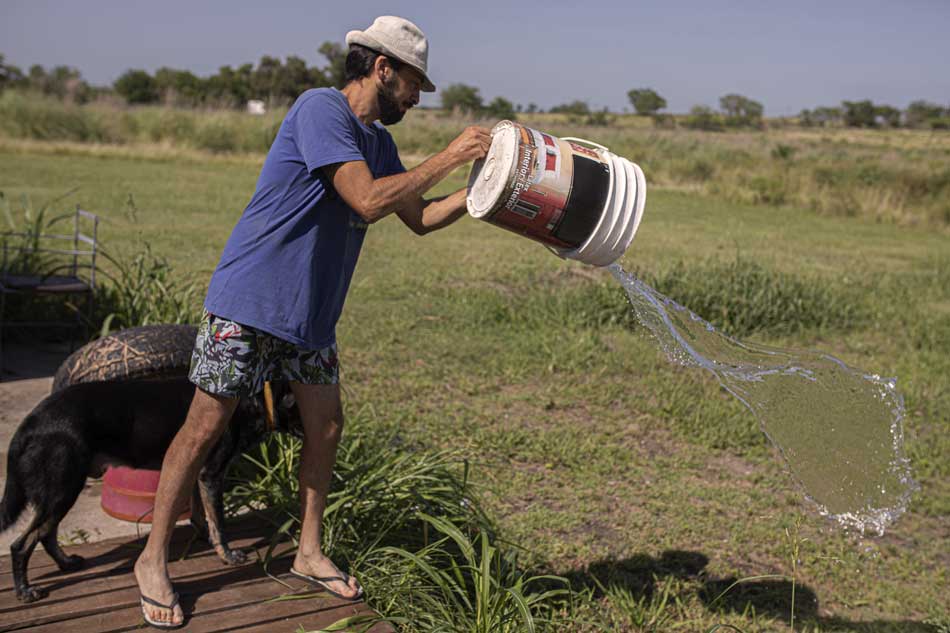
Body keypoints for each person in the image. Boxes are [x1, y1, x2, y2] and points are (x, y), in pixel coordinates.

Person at [133, 15, 492, 628]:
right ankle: (151, 559)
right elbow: (368, 200)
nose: (415, 96)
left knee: (325, 426)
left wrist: (487, 192)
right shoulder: (320, 110)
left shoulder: (379, 143)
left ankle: (308, 551)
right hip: (250, 303)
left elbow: (420, 217)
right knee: (203, 427)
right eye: (413, 83)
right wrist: (454, 154)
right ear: (383, 68)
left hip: (310, 320)